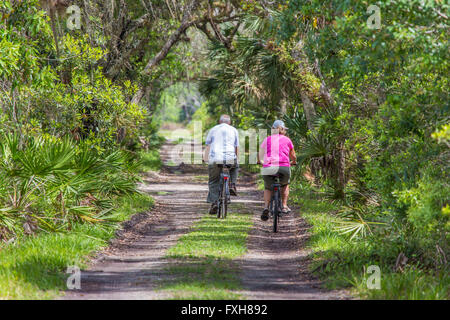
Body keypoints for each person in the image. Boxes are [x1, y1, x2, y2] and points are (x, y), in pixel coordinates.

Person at [258, 120, 297, 221]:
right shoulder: (287, 140)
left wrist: (260, 161)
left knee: (267, 187)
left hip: (269, 167)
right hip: (283, 167)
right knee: (285, 184)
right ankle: (284, 205)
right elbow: (293, 156)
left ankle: (266, 207)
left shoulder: (267, 139)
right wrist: (293, 162)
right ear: (283, 130)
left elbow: (260, 154)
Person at [203, 114, 239, 215]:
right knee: (235, 166)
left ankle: (214, 202)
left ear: (219, 122)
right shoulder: (234, 130)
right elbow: (236, 147)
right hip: (230, 158)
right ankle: (232, 184)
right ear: (229, 122)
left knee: (213, 180)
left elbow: (208, 145)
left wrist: (205, 158)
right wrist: (236, 158)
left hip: (215, 158)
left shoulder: (213, 129)